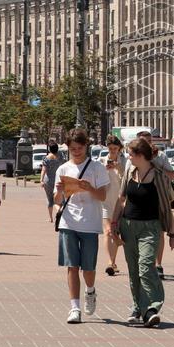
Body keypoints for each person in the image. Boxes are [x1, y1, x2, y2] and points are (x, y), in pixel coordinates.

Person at [110, 137, 174, 328]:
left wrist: (172, 234)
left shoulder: (159, 176)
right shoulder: (129, 172)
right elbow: (121, 199)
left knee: (146, 267)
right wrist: (114, 223)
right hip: (128, 226)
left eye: (130, 154)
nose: (128, 157)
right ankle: (138, 308)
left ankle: (152, 307)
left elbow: (167, 206)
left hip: (150, 227)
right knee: (133, 270)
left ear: (140, 155)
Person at [54, 128, 109, 324]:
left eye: (80, 148)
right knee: (72, 266)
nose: (76, 152)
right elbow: (57, 200)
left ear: (86, 146)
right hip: (68, 222)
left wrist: (90, 188)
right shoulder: (63, 169)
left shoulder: (96, 168)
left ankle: (90, 291)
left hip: (90, 223)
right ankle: (74, 308)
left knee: (88, 268)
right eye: (73, 149)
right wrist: (59, 191)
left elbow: (102, 196)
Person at [137, 130, 174, 280]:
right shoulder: (133, 157)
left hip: (159, 199)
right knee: (141, 233)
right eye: (143, 141)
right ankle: (146, 263)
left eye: (149, 141)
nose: (146, 144)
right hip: (140, 200)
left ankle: (158, 265)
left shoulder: (160, 157)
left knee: (159, 232)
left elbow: (172, 175)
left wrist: (157, 166)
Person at [101, 135, 125, 276]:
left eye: (115, 148)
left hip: (119, 203)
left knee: (115, 232)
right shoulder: (101, 161)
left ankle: (113, 262)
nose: (112, 151)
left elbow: (127, 178)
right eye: (110, 148)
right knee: (107, 231)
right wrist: (104, 169)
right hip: (105, 201)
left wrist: (118, 167)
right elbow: (97, 180)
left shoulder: (125, 161)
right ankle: (110, 262)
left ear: (119, 148)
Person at [41, 143, 63, 223]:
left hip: (48, 181)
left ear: (49, 149)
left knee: (49, 199)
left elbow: (43, 170)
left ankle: (50, 218)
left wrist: (41, 180)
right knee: (59, 198)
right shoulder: (60, 157)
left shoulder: (46, 158)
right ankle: (59, 211)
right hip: (58, 180)